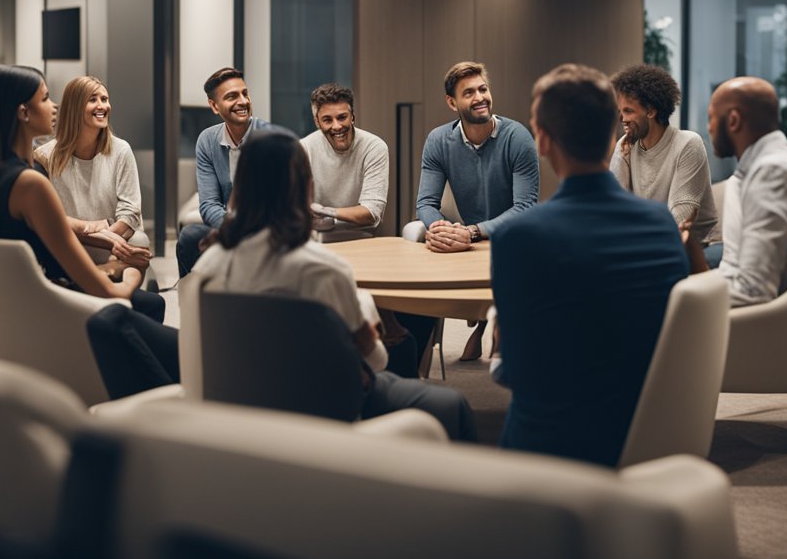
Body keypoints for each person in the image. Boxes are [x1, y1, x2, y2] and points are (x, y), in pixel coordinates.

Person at [192, 130, 476, 442]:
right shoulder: (324, 272)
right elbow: (375, 361)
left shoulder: (208, 265)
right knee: (450, 403)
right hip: (324, 414)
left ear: (240, 189)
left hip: (239, 410)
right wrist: (369, 322)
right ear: (306, 188)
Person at [489, 63, 688, 466]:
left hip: (555, 449)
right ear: (611, 133)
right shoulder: (660, 223)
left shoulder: (519, 236)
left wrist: (498, 335)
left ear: (542, 140)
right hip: (650, 436)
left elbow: (514, 374)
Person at [0, 65, 175, 356]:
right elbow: (107, 292)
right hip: (51, 313)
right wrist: (132, 269)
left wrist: (104, 246)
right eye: (45, 98)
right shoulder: (31, 183)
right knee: (174, 337)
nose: (54, 105)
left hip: (17, 311)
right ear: (23, 112)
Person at [401, 61, 540, 362]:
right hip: (462, 241)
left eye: (483, 89)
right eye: (469, 92)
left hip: (508, 238)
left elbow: (525, 207)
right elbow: (425, 203)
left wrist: (472, 232)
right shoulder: (438, 141)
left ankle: (491, 326)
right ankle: (418, 360)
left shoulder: (518, 138)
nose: (480, 97)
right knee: (417, 286)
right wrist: (441, 229)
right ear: (452, 102)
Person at [684, 77, 787, 307]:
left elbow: (754, 290)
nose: (709, 128)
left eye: (711, 118)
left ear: (734, 120)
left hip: (768, 329)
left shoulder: (772, 173)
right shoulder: (765, 166)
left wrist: (677, 295)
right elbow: (736, 270)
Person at [34, 76, 157, 294]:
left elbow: (129, 214)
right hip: (72, 246)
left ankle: (112, 281)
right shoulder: (45, 157)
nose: (102, 106)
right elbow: (52, 222)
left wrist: (111, 241)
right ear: (75, 107)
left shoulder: (121, 151)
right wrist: (105, 241)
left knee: (139, 239)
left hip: (118, 246)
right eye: (93, 100)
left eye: (105, 99)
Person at [176, 67, 270, 278]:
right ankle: (194, 303)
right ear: (214, 106)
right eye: (231, 96)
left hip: (266, 231)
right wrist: (235, 229)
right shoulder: (207, 141)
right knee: (190, 236)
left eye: (244, 93)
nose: (243, 101)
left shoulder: (269, 138)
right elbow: (208, 205)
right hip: (229, 225)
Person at [609, 64, 718, 241]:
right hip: (648, 244)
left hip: (695, 247)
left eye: (628, 111)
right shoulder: (626, 146)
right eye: (620, 111)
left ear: (651, 111)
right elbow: (614, 209)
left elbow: (680, 220)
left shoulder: (688, 144)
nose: (622, 119)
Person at [300, 83, 388, 243]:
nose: (337, 126)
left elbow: (371, 212)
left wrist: (324, 211)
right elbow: (297, 209)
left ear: (352, 116)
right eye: (327, 120)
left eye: (342, 117)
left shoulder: (374, 147)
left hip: (362, 238)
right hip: (316, 240)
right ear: (317, 122)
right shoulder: (304, 149)